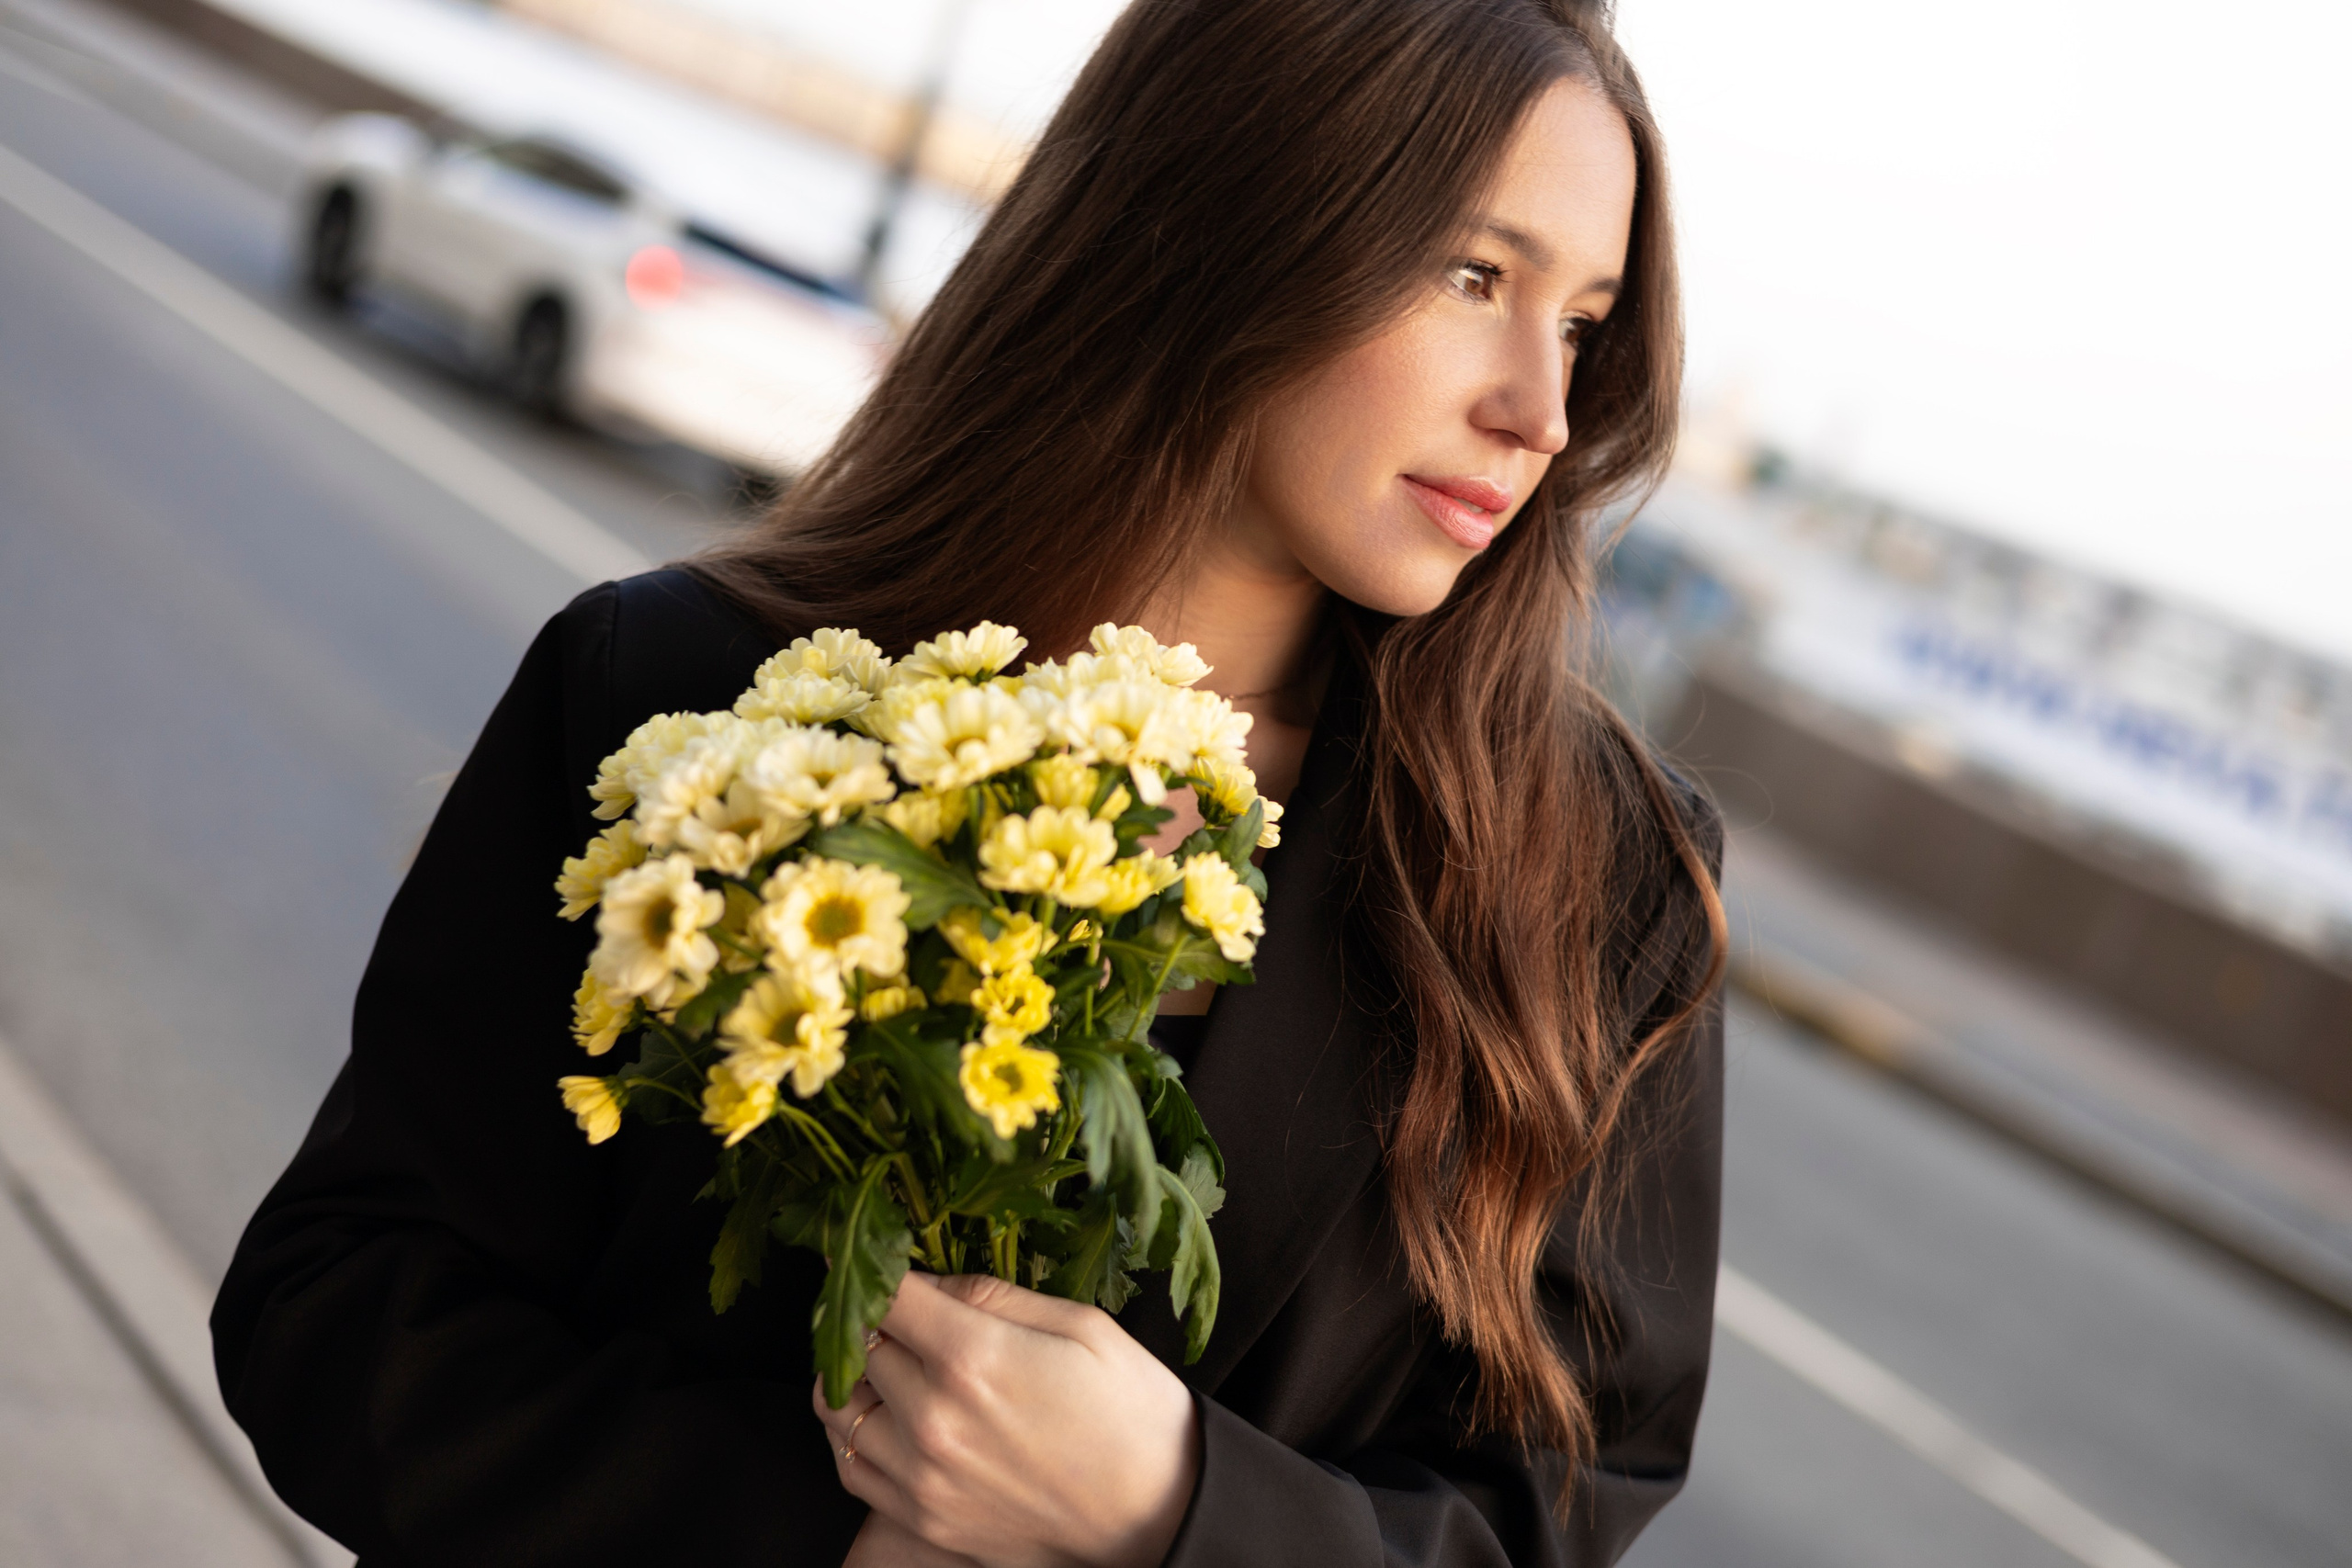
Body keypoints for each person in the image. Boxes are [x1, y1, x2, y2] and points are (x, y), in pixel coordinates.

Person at [211, 1, 1727, 1562]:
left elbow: (1567, 1500)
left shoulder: (1602, 875)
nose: (1540, 411)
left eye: (1581, 324)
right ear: (1234, 218)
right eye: (1475, 276)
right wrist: (821, 1530)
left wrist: (1175, 1511)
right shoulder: (675, 683)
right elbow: (336, 1311)